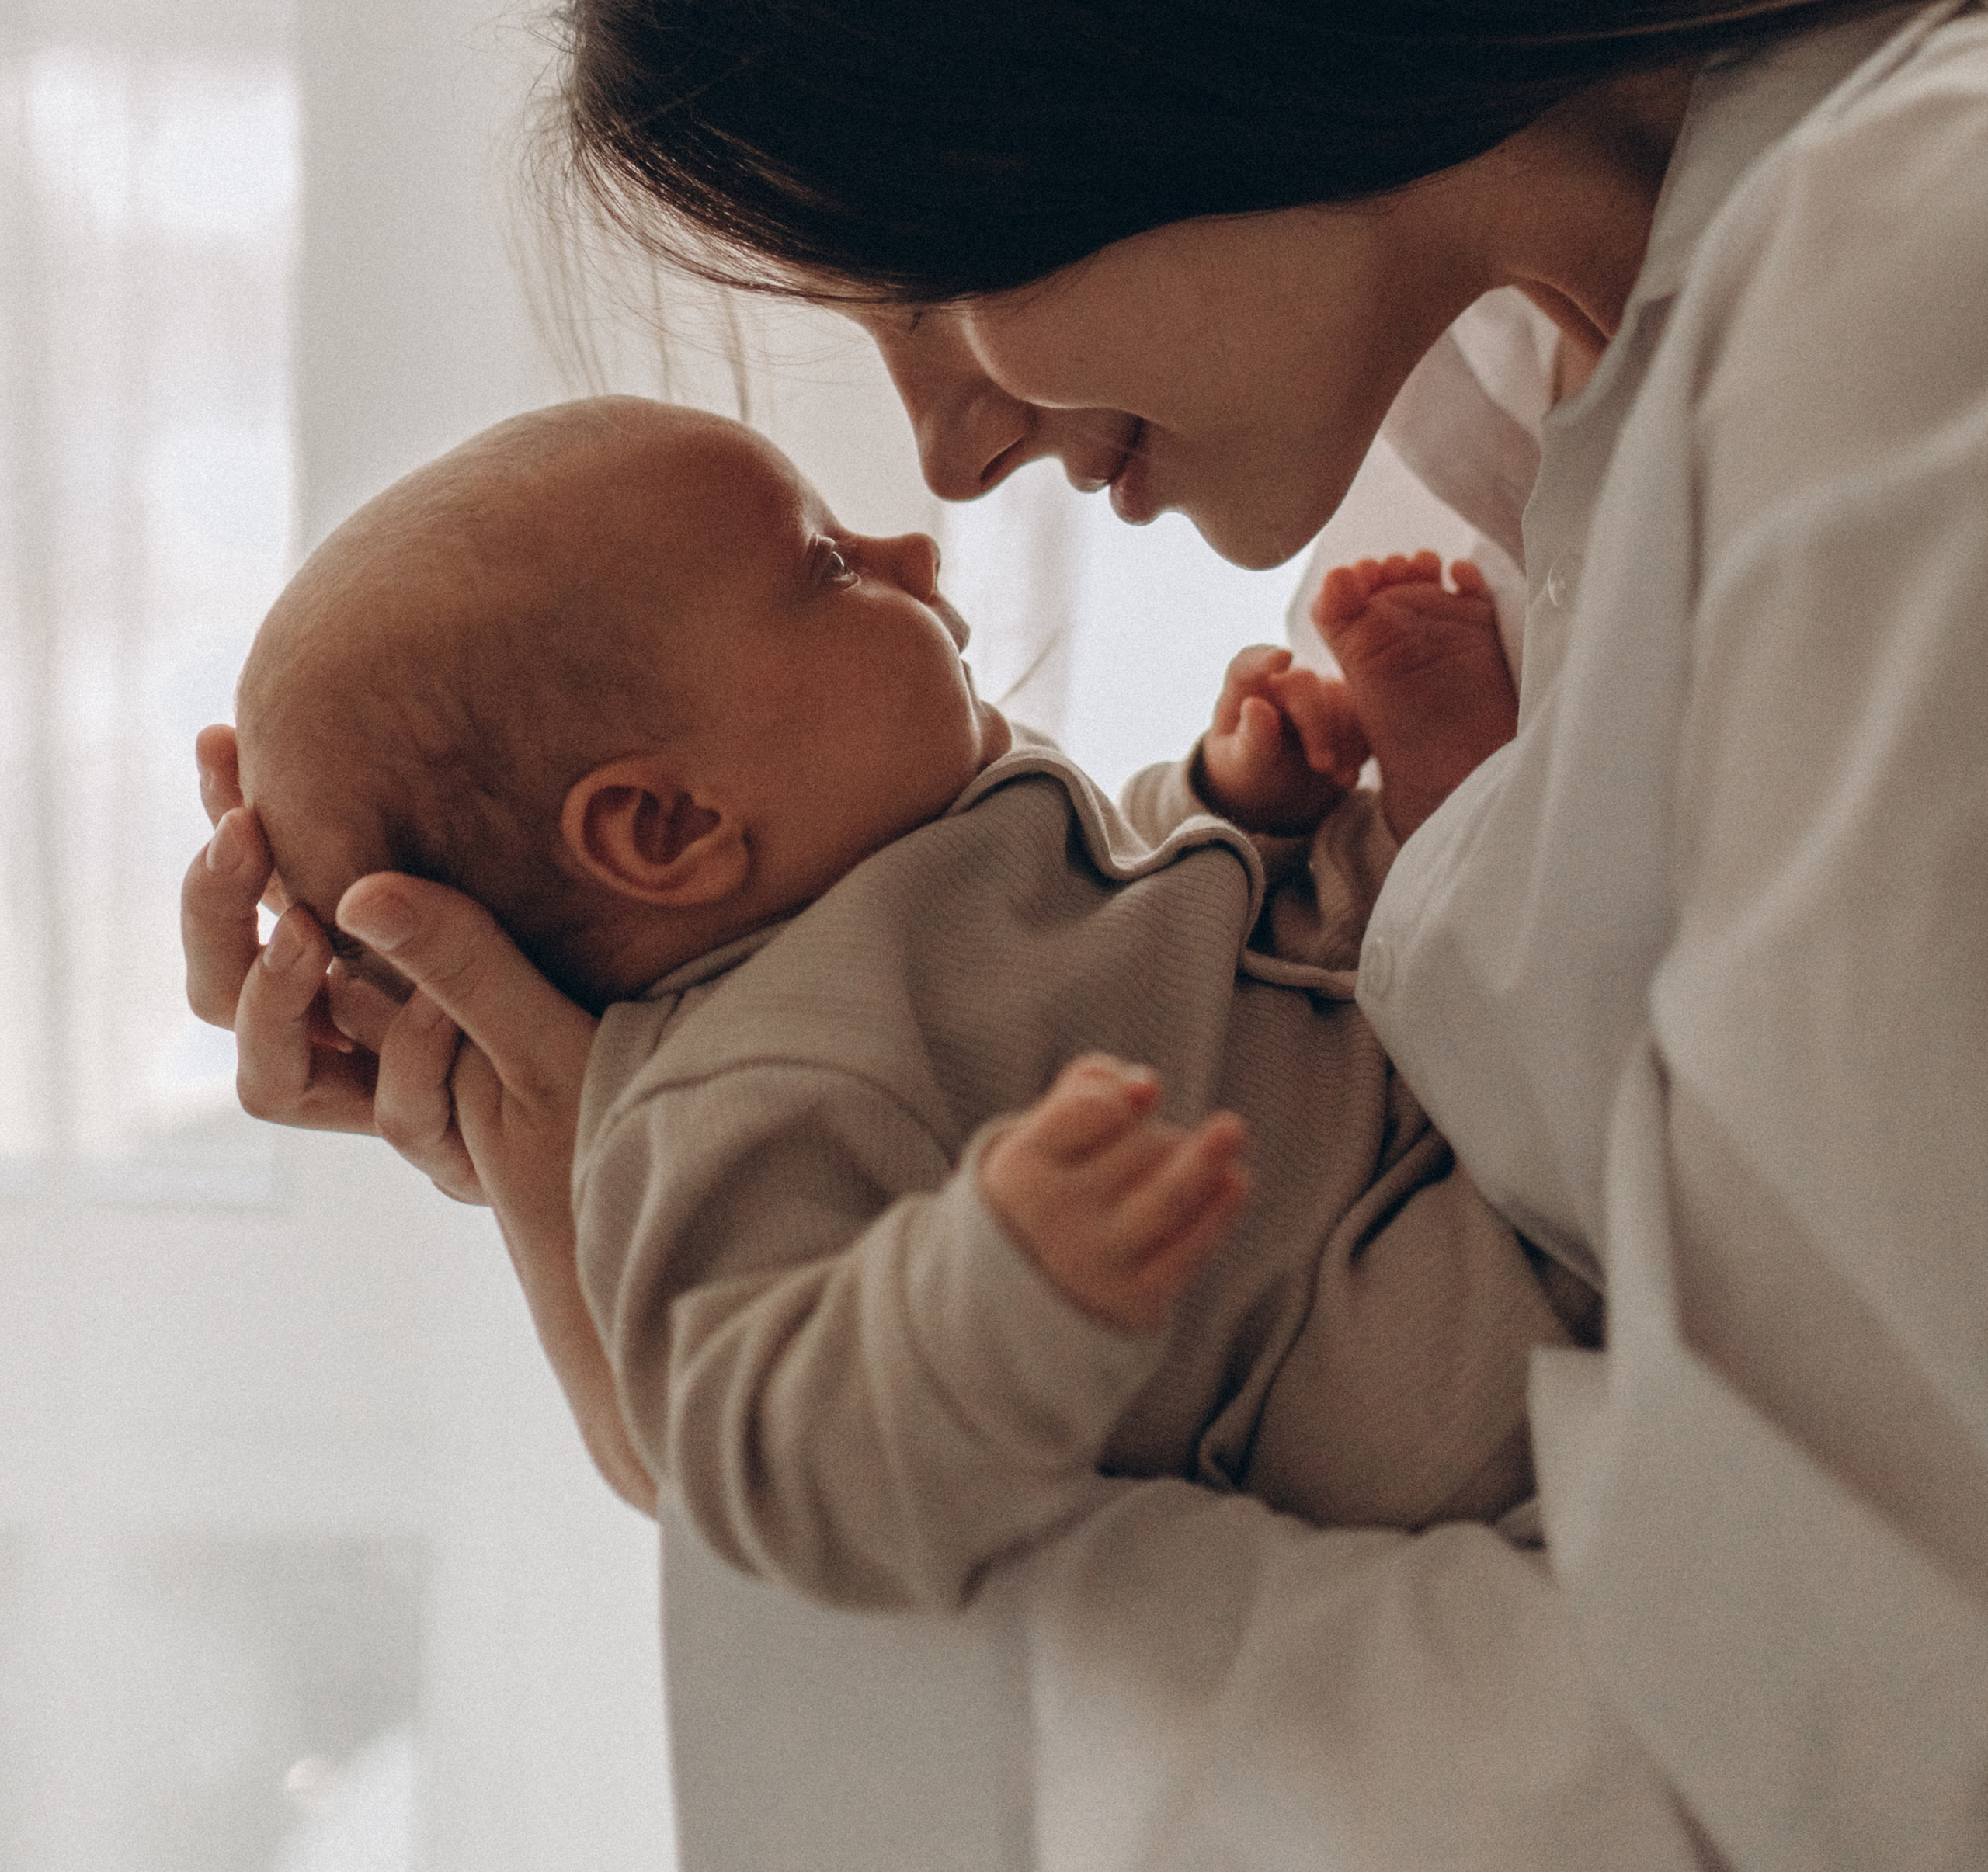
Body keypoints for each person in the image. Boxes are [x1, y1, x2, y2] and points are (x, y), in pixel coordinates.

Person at [187, 0, 1988, 1867]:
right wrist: (600, 1140)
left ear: (1173, 17)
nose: (950, 451)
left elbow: (1856, 1722)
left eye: (937, 277)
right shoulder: (1525, 391)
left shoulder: (1910, 321)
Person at [234, 391, 1570, 1606]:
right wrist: (987, 1289)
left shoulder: (921, 842)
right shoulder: (739, 1094)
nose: (912, 557)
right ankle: (1465, 847)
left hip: (1350, 1079)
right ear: (666, 825)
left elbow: (1124, 906)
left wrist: (1234, 805)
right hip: (1351, 1346)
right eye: (827, 566)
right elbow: (756, 1454)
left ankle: (1439, 830)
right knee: (1497, 1292)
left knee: (1386, 921)